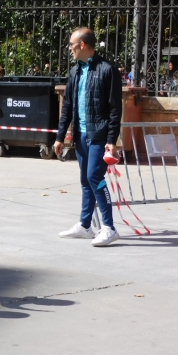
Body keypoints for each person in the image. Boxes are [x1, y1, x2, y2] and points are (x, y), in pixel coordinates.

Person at [53, 27, 122, 247]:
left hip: (98, 134)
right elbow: (68, 106)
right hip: (80, 134)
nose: (70, 49)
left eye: (72, 45)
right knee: (85, 180)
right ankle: (85, 226)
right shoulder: (76, 71)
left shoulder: (107, 70)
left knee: (95, 177)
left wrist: (111, 140)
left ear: (83, 45)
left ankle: (109, 227)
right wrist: (60, 136)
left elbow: (114, 109)